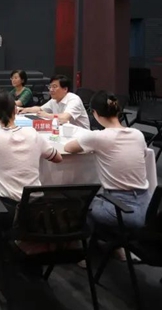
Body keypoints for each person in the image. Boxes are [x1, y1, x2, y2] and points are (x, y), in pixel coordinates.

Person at [0, 91, 62, 254]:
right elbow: (57, 158)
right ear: (15, 110)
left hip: (9, 209)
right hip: (37, 206)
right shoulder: (33, 134)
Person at [64, 91, 150, 230]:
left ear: (94, 113)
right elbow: (143, 155)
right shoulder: (138, 134)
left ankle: (92, 238)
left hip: (120, 209)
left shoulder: (98, 137)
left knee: (81, 202)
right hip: (148, 207)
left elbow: (68, 148)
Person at [20, 74, 90, 129]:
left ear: (65, 89)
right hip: (63, 131)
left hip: (81, 135)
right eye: (50, 87)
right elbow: (40, 109)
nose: (51, 90)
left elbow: (64, 118)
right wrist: (24, 109)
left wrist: (47, 115)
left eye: (54, 87)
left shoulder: (74, 99)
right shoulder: (54, 100)